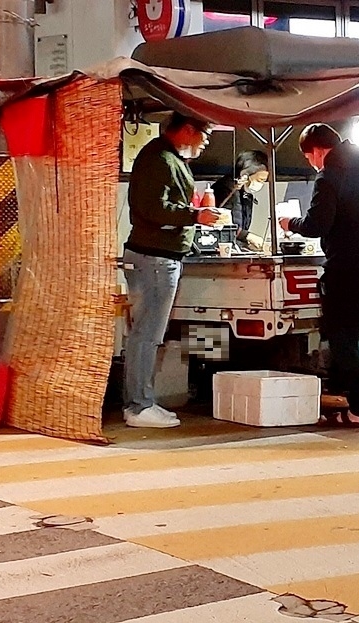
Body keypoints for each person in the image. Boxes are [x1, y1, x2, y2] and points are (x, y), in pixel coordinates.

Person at [279, 123, 359, 427]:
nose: (312, 163)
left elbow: (316, 225)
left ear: (318, 151)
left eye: (309, 157)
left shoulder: (330, 176)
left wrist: (289, 223)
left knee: (353, 342)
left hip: (348, 271)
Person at [123, 112, 221, 429]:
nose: (205, 143)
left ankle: (144, 402)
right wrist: (195, 216)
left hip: (159, 257)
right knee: (146, 335)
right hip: (154, 259)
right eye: (203, 135)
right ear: (188, 130)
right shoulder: (159, 159)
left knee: (148, 334)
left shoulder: (167, 157)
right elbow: (151, 208)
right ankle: (138, 407)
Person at [212, 150, 269, 248]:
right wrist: (247, 236)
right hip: (222, 246)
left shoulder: (245, 193)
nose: (261, 184)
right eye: (260, 180)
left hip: (236, 245)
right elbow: (222, 222)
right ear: (245, 174)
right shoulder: (227, 189)